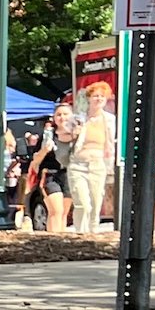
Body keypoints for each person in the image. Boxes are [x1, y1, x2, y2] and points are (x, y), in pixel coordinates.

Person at [70, 85, 119, 234]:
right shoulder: (78, 118)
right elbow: (63, 135)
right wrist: (73, 133)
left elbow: (112, 142)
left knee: (96, 201)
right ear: (89, 98)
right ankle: (80, 233)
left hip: (98, 164)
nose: (98, 99)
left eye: (102, 96)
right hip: (78, 164)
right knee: (82, 203)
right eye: (95, 96)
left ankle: (93, 232)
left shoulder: (110, 120)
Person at [28, 100, 77, 234]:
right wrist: (45, 149)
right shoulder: (48, 136)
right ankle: (54, 240)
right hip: (50, 174)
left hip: (68, 174)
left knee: (64, 213)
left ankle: (61, 242)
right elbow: (36, 159)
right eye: (59, 115)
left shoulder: (77, 135)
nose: (62, 117)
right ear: (54, 118)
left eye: (65, 114)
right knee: (56, 210)